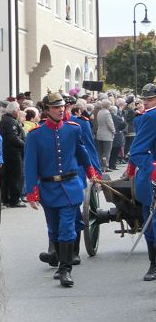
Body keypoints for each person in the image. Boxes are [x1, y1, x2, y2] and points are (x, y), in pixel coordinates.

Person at [24, 93, 100, 287]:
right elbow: (30, 165)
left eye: (62, 107)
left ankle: (66, 269)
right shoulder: (35, 135)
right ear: (46, 110)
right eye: (56, 107)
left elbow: (82, 153)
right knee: (54, 229)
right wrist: (31, 192)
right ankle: (59, 261)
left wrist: (92, 173)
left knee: (67, 228)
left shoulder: (73, 129)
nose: (60, 110)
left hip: (70, 186)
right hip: (48, 188)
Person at [126, 83, 156, 281]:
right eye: (145, 99)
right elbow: (137, 151)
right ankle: (154, 264)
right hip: (153, 180)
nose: (146, 103)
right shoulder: (151, 117)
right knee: (152, 224)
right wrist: (153, 168)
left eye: (150, 99)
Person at [0, 101, 26, 208]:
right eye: (18, 110)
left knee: (8, 177)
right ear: (14, 111)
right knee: (15, 176)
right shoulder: (10, 122)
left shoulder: (7, 120)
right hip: (13, 152)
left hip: (9, 152)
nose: (19, 112)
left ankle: (7, 199)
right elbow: (13, 138)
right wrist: (25, 144)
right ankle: (14, 200)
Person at [95, 99, 115, 171]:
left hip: (99, 133)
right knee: (107, 152)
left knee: (100, 151)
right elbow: (110, 124)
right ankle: (105, 166)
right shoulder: (107, 113)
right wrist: (114, 131)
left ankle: (99, 165)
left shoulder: (99, 112)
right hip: (107, 135)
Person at [108, 106, 126, 170]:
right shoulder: (118, 118)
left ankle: (109, 164)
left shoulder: (108, 117)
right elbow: (123, 125)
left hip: (109, 135)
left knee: (110, 152)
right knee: (115, 152)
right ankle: (113, 165)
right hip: (117, 136)